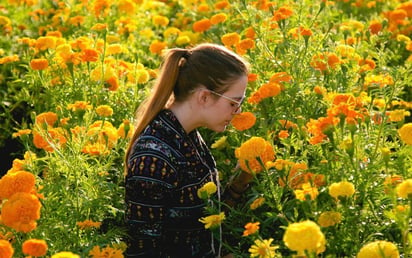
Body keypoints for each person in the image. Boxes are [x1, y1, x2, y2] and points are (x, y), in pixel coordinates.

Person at [124, 43, 252, 257]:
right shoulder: (154, 157)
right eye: (234, 103)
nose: (238, 112)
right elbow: (143, 250)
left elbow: (203, 223)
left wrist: (239, 183)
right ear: (204, 97)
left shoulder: (188, 136)